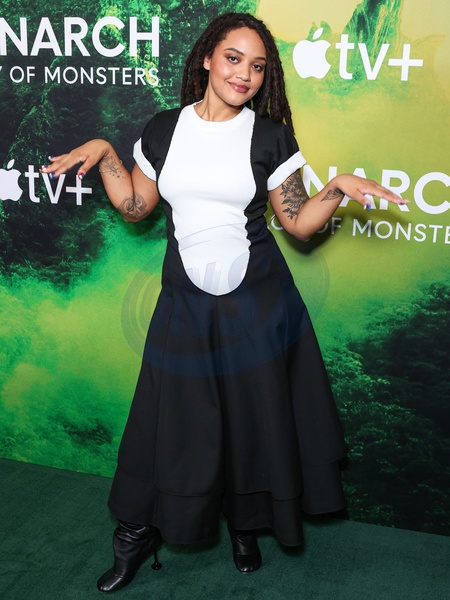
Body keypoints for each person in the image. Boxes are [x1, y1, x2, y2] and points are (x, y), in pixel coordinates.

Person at [41, 12, 408, 594]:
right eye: (234, 59)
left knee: (251, 421)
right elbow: (136, 207)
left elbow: (298, 224)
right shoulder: (163, 130)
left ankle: (245, 525)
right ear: (208, 58)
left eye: (257, 66)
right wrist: (107, 154)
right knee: (167, 422)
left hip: (258, 306)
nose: (245, 74)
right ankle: (136, 536)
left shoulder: (270, 137)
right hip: (184, 305)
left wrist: (337, 188)